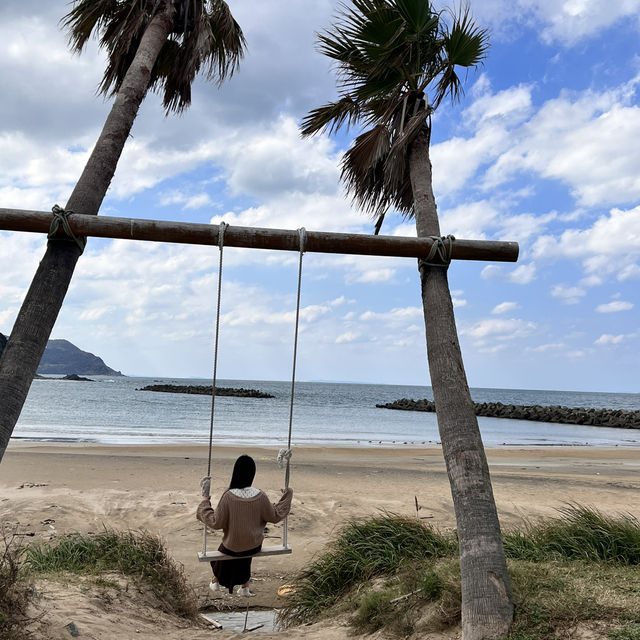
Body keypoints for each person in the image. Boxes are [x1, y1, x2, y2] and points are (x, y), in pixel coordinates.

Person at [196, 454, 293, 596]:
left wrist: (205, 501)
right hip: (254, 546)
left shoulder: (228, 496)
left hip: (232, 547)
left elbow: (216, 522)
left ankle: (217, 580)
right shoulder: (261, 496)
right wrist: (288, 494)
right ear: (252, 474)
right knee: (245, 549)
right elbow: (275, 515)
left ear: (235, 472)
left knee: (223, 553)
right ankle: (244, 586)